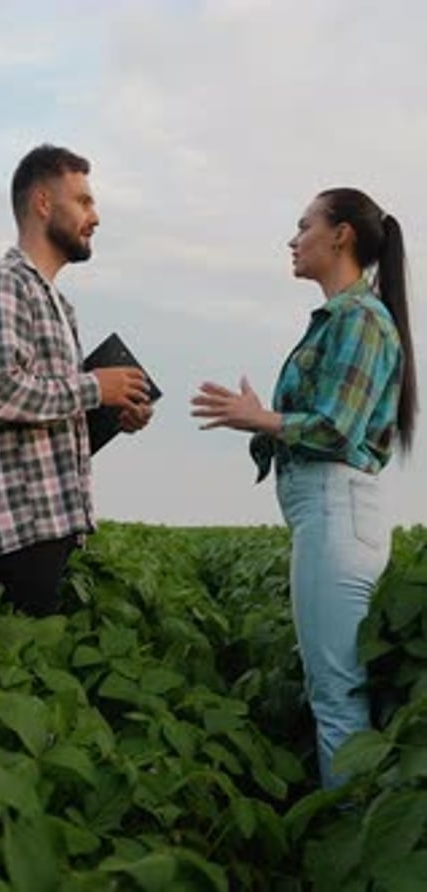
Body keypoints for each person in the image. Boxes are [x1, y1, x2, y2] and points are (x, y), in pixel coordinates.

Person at [191, 188, 417, 789]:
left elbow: (337, 428)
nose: (293, 240)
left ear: (341, 235)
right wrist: (262, 421)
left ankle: (350, 829)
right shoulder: (349, 317)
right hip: (333, 512)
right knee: (340, 688)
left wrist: (263, 419)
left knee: (336, 695)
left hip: (335, 511)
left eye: (304, 226)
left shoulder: (359, 318)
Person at [0, 144, 153, 617]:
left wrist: (110, 412)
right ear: (43, 203)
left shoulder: (60, 305)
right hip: (14, 535)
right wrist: (95, 387)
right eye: (83, 201)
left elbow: (43, 418)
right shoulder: (4, 283)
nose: (95, 217)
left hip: (51, 528)